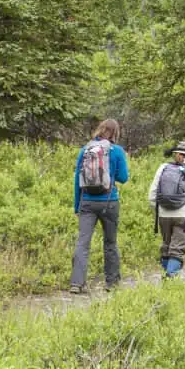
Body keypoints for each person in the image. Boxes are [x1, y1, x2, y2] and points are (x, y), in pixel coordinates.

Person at [70, 118, 129, 294]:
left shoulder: (85, 149)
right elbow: (123, 178)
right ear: (115, 133)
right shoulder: (117, 151)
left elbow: (77, 180)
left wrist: (77, 206)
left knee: (83, 243)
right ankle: (112, 283)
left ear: (100, 129)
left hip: (87, 201)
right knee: (110, 242)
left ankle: (76, 283)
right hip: (109, 201)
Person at [148, 140, 185, 277]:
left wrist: (157, 209)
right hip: (184, 215)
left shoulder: (163, 168)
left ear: (176, 154)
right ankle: (171, 277)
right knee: (178, 248)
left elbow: (152, 193)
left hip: (163, 214)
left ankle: (167, 273)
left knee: (166, 245)